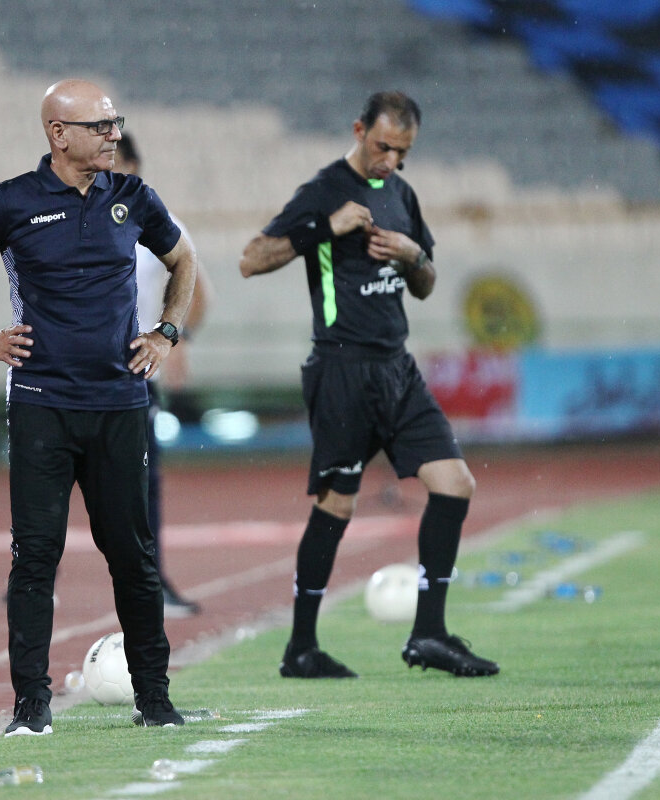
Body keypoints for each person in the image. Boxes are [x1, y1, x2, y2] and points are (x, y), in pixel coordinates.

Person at [0, 78, 198, 734]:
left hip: (121, 404)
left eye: (115, 123)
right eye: (100, 126)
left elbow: (183, 260)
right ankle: (31, 708)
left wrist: (166, 332)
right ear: (58, 134)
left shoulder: (134, 196)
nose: (113, 135)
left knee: (133, 556)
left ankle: (155, 701)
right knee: (36, 558)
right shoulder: (10, 201)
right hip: (42, 405)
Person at [239, 91, 499, 679]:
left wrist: (412, 255)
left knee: (455, 484)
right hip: (342, 369)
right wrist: (323, 228)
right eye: (383, 147)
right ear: (359, 130)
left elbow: (425, 283)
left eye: (402, 152)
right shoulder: (323, 191)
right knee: (336, 505)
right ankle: (301, 647)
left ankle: (429, 634)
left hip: (396, 367)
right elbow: (251, 259)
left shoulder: (401, 194)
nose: (390, 161)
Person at [113, 132, 211, 618]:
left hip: (134, 373)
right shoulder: (68, 220)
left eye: (112, 160)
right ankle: (33, 583)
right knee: (53, 482)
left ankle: (152, 584)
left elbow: (198, 290)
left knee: (142, 483)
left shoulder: (158, 221)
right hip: (74, 373)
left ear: (132, 165)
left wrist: (176, 337)